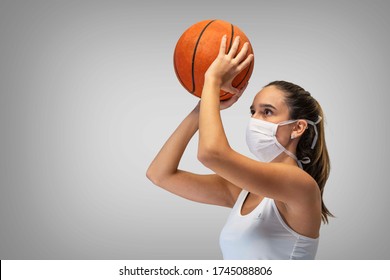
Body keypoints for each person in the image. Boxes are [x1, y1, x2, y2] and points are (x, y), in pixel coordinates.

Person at [146, 35, 332, 260]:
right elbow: (160, 174)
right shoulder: (242, 190)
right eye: (253, 111)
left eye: (267, 111)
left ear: (298, 128)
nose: (255, 118)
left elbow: (211, 153)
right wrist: (201, 107)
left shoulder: (300, 185)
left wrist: (212, 81)